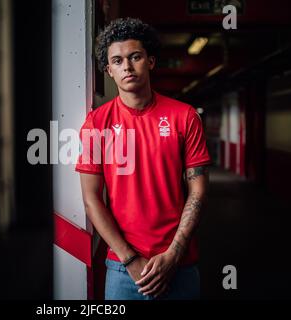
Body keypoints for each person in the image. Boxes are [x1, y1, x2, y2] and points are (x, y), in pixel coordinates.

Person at [75, 17, 211, 300]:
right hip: (123, 269)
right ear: (109, 70)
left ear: (150, 61)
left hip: (180, 265)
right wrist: (130, 260)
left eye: (135, 56)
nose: (127, 66)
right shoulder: (97, 123)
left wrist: (173, 255)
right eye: (117, 60)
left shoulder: (184, 116)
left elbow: (197, 190)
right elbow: (91, 199)